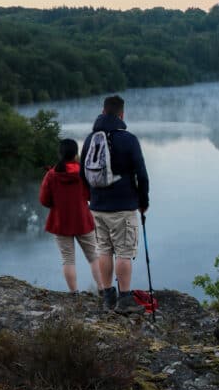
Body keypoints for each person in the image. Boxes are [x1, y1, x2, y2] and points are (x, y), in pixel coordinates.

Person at [80, 95, 150, 315]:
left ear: (103, 112)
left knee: (104, 251)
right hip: (123, 208)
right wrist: (143, 201)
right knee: (124, 253)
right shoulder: (128, 139)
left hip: (98, 207)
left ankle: (108, 297)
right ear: (122, 114)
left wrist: (91, 198)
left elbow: (83, 173)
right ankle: (126, 299)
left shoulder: (91, 139)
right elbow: (142, 175)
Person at [39, 139, 104, 294]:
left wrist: (58, 206)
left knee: (68, 260)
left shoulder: (52, 174)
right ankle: (103, 289)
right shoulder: (83, 172)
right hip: (83, 220)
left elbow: (44, 200)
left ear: (60, 154)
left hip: (60, 222)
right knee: (94, 257)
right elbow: (91, 195)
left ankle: (73, 293)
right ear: (76, 154)